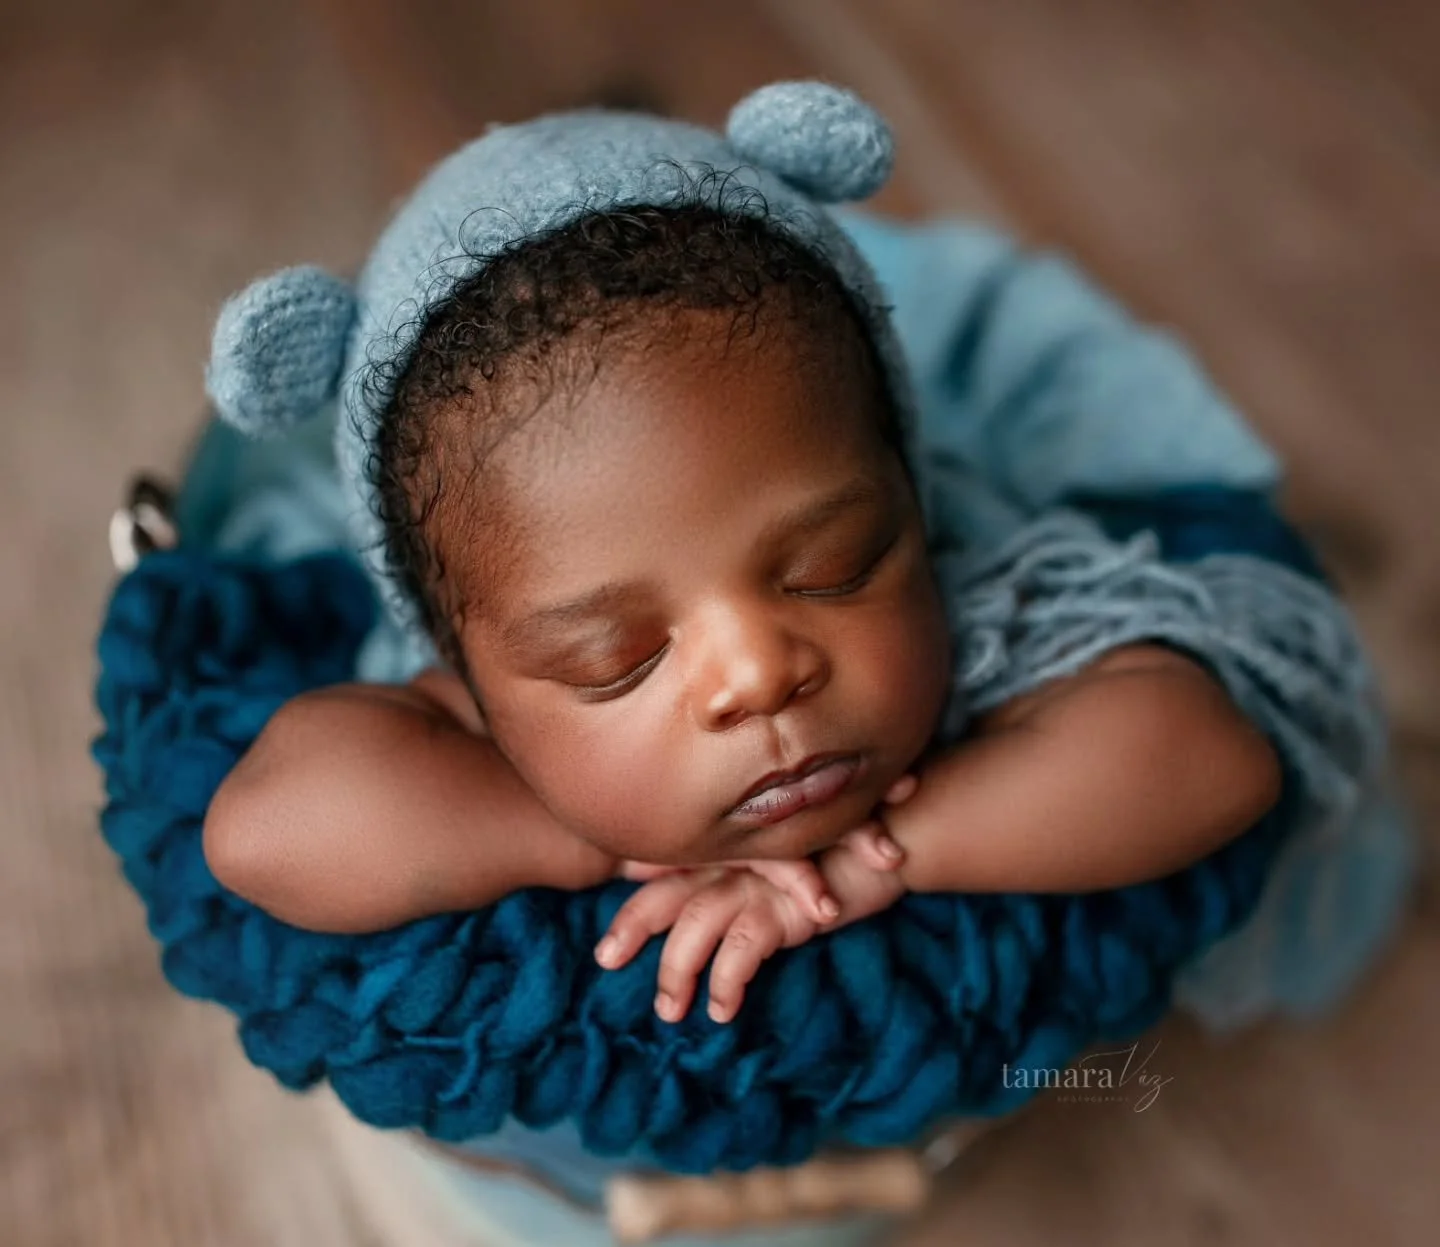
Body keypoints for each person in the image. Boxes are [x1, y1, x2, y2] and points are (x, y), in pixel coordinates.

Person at [196, 83, 1393, 1036]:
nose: (758, 673)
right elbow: (263, 829)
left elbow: (1209, 756)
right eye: (617, 659)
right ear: (465, 655)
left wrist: (888, 855)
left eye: (833, 564)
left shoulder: (983, 599)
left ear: (910, 498)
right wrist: (581, 828)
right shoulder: (482, 717)